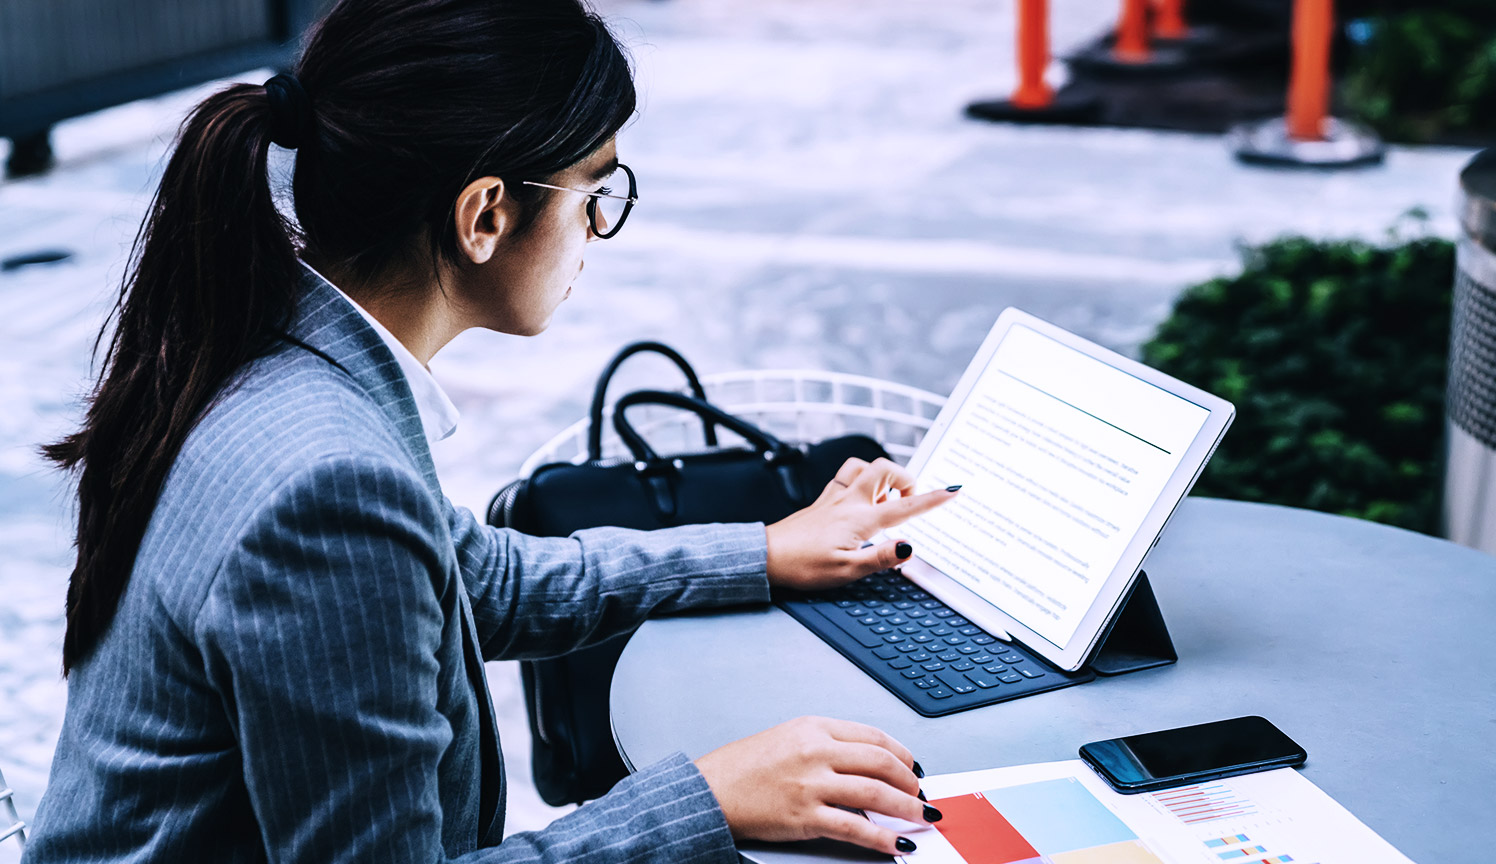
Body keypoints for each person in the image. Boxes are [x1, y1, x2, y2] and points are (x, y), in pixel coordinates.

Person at [24, 0, 961, 861]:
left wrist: (762, 549)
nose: (599, 228)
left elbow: (479, 580)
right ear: (484, 215)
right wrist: (712, 796)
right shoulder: (328, 480)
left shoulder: (268, 350)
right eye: (596, 191)